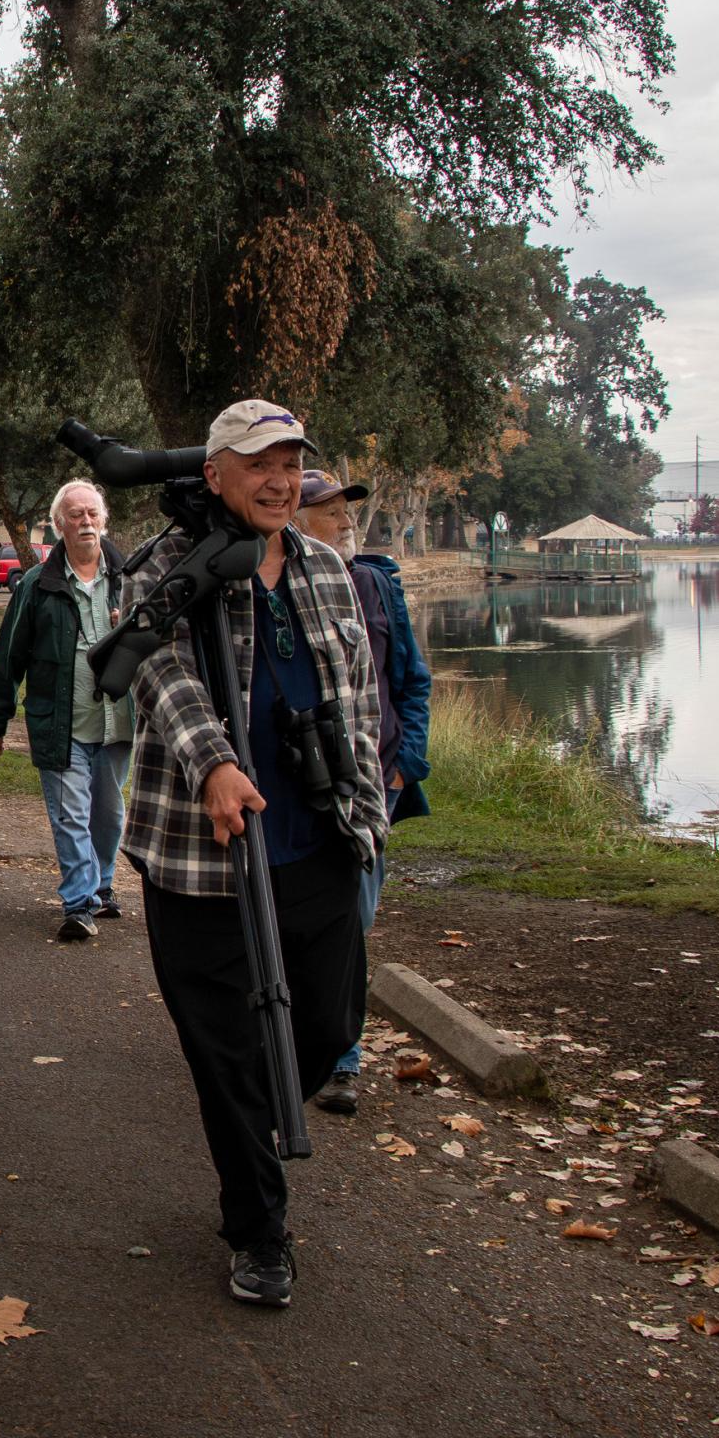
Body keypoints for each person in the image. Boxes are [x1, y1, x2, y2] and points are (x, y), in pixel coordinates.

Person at [120, 399, 386, 1309]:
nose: (279, 479)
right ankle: (259, 1229)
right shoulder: (168, 565)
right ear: (216, 473)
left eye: (290, 462)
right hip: (200, 857)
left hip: (316, 842)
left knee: (330, 1018)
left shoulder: (324, 566)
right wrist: (216, 765)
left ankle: (256, 1126)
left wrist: (369, 813)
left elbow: (355, 694)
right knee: (226, 1050)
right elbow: (159, 669)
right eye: (259, 463)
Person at [294, 469, 433, 1115]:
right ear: (294, 521)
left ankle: (332, 1049)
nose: (346, 520)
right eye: (327, 511)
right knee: (319, 917)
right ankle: (332, 1057)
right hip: (301, 789)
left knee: (356, 918)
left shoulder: (376, 583)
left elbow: (413, 679)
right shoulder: (276, 590)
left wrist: (405, 763)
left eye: (347, 509)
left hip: (377, 783)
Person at [0, 480, 135, 941]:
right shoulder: (37, 584)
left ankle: (102, 888)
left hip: (117, 722)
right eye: (75, 515)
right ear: (58, 525)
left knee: (108, 817)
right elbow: (9, 655)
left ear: (104, 520)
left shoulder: (129, 578)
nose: (85, 522)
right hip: (61, 723)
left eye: (92, 514)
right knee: (70, 815)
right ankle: (78, 902)